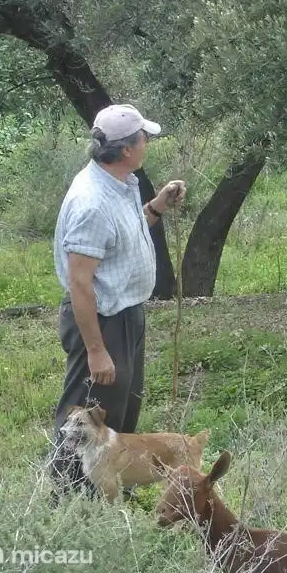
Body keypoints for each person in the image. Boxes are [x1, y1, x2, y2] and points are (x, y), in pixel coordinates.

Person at [48, 104, 186, 503]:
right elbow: (79, 282)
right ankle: (68, 501)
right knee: (86, 416)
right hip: (102, 322)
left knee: (118, 412)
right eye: (144, 138)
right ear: (128, 149)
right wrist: (95, 350)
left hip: (125, 315)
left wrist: (156, 206)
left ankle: (105, 491)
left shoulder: (118, 181)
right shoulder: (91, 202)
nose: (148, 143)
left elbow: (122, 235)